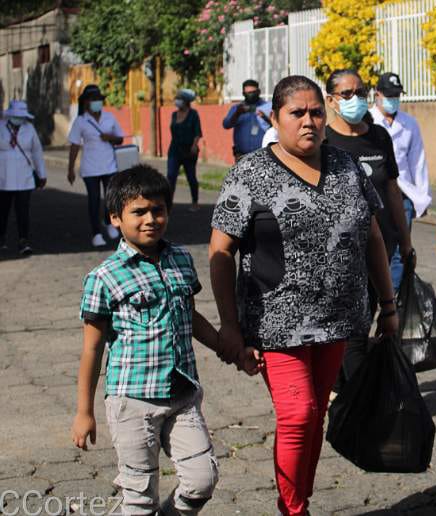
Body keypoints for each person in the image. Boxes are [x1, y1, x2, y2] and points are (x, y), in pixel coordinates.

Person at [209, 75, 398, 516]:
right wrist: (230, 325)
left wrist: (387, 306)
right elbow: (220, 251)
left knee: (316, 415)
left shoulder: (346, 166)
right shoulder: (250, 173)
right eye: (297, 113)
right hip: (275, 322)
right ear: (275, 118)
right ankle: (293, 509)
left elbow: (372, 238)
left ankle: (300, 502)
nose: (309, 121)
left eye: (316, 112)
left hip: (339, 318)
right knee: (297, 413)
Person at [70, 165, 258, 515]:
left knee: (202, 478)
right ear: (115, 218)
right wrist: (84, 412)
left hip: (182, 394)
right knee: (140, 497)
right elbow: (91, 350)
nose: (150, 219)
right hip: (132, 401)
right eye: (138, 212)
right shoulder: (104, 278)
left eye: (158, 210)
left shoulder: (181, 260)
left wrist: (231, 351)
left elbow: (191, 319)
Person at [323, 69, 413, 385]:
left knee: (368, 316)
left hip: (379, 247)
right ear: (331, 100)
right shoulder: (323, 141)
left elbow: (391, 188)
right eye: (346, 94)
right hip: (338, 254)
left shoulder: (378, 137)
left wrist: (405, 239)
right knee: (350, 325)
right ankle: (349, 391)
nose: (355, 99)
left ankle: (351, 391)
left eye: (359, 92)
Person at [369, 72, 432, 290]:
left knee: (398, 249)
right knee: (374, 248)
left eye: (396, 95)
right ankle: (376, 294)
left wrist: (422, 196)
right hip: (374, 193)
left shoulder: (409, 123)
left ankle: (395, 299)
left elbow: (418, 161)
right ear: (377, 95)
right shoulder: (367, 122)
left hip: (403, 194)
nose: (393, 99)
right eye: (389, 95)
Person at [68, 84, 125, 247]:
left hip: (110, 165)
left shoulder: (110, 117)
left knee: (110, 198)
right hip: (90, 168)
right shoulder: (80, 121)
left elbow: (120, 138)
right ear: (86, 102)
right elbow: (74, 145)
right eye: (93, 100)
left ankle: (108, 222)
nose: (97, 102)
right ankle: (96, 233)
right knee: (93, 200)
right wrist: (70, 169)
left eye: (99, 99)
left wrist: (110, 138)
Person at [0, 100, 46, 255]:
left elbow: (37, 152)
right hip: (3, 177)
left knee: (23, 212)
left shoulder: (29, 128)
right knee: (2, 211)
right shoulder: (1, 127)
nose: (19, 119)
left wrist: (42, 174)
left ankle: (23, 241)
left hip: (24, 177)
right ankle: (1, 239)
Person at [168, 88, 202, 211]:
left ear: (186, 101)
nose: (177, 101)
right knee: (171, 176)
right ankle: (168, 203)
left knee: (191, 177)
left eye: (179, 99)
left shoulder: (193, 114)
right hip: (174, 150)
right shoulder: (173, 114)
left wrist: (194, 145)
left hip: (189, 150)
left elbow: (197, 132)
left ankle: (195, 202)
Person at [222, 79, 272, 161]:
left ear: (259, 92)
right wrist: (237, 113)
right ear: (243, 94)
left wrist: (264, 117)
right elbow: (226, 125)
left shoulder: (268, 106)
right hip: (241, 155)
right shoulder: (237, 108)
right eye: (248, 93)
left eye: (253, 92)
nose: (251, 95)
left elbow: (277, 126)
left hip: (263, 155)